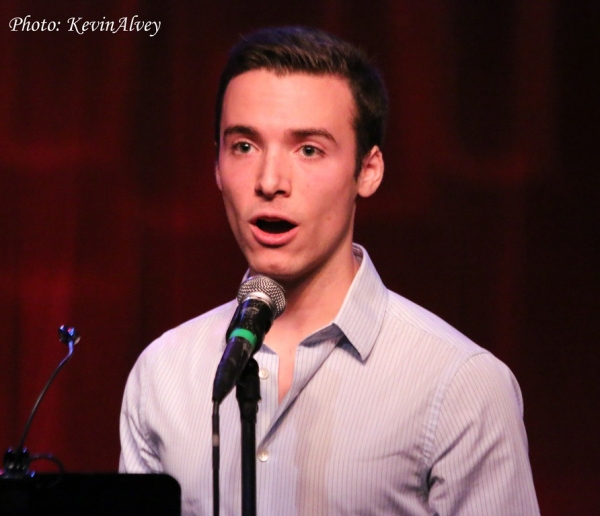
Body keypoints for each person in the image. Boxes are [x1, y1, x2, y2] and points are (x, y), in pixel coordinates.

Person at [119, 27, 540, 515]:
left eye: (309, 149)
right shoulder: (164, 374)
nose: (270, 182)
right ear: (216, 164)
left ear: (368, 170)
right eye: (244, 146)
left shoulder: (460, 385)